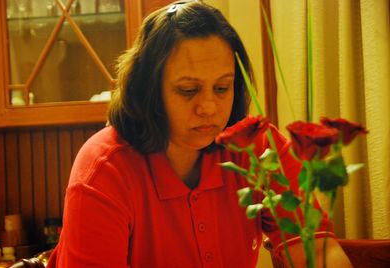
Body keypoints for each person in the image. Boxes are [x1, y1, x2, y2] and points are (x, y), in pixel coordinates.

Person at [47, 1, 352, 267]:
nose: (209, 107)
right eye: (188, 90)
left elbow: (320, 253)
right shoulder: (105, 170)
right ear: (149, 90)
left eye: (222, 88)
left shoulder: (254, 146)